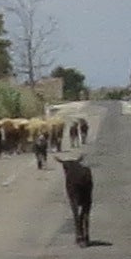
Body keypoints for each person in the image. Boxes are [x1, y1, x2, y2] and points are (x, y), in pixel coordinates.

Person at [55, 97, 99, 245]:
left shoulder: (70, 176)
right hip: (86, 182)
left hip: (74, 186)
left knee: (75, 211)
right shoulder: (85, 171)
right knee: (86, 211)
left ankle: (79, 235)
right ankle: (86, 235)